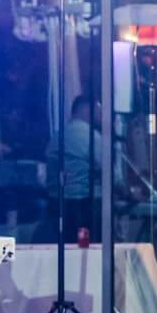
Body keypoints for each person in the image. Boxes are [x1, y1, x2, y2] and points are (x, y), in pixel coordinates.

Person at [63, 95, 99, 238]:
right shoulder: (91, 137)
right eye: (98, 110)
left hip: (57, 207)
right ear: (87, 110)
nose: (100, 115)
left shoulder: (57, 137)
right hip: (83, 209)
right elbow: (110, 173)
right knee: (85, 249)